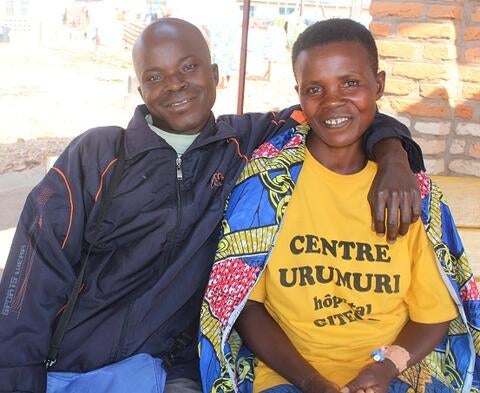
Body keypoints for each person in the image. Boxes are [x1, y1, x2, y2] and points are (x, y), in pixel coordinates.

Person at [0, 18, 423, 393]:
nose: (176, 84)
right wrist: (18, 377)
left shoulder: (245, 143)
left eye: (188, 67)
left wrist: (392, 153)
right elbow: (35, 269)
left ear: (215, 74)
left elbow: (333, 111)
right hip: (72, 367)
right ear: (140, 87)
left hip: (170, 367)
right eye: (155, 75)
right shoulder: (98, 154)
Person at [199, 19, 480, 393]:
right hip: (288, 375)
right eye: (315, 88)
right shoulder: (268, 185)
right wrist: (310, 380)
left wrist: (387, 368)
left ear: (378, 84)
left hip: (392, 374)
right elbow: (245, 306)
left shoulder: (410, 194)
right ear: (298, 94)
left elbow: (433, 315)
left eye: (350, 83)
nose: (333, 100)